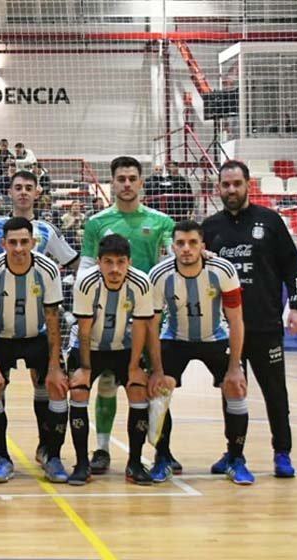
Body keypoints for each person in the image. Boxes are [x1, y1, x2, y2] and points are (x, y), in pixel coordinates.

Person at [202, 160, 297, 478]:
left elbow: (292, 265)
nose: (231, 190)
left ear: (248, 185)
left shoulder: (270, 221)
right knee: (232, 391)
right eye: (226, 185)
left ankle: (282, 452)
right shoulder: (210, 228)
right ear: (218, 188)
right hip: (226, 328)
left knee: (275, 392)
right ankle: (234, 452)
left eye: (237, 184)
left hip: (265, 325)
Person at [79, 156, 175, 476]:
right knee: (107, 383)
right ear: (112, 183)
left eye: (132, 178)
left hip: (149, 316)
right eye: (121, 179)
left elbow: (175, 257)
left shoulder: (161, 222)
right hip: (110, 319)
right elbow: (86, 268)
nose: (127, 184)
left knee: (155, 384)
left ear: (141, 182)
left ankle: (163, 452)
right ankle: (102, 449)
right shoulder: (97, 223)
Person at [148, 220, 252, 484]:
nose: (186, 248)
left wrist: (235, 367)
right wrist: (157, 370)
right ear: (172, 247)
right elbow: (152, 324)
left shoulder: (222, 269)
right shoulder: (159, 275)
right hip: (175, 337)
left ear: (202, 246)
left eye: (193, 243)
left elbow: (236, 320)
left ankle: (235, 457)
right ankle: (163, 457)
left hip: (215, 336)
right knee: (159, 388)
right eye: (180, 243)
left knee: (235, 387)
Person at [60, 234, 156, 485]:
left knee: (138, 390)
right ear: (99, 262)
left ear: (129, 262)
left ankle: (135, 464)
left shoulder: (141, 282)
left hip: (123, 347)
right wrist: (84, 368)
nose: (115, 269)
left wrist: (134, 367)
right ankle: (82, 464)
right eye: (108, 262)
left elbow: (141, 327)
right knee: (78, 391)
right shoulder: (86, 281)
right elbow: (84, 328)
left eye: (121, 262)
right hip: (89, 346)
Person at [0, 217, 63, 483]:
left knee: (57, 388)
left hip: (38, 336)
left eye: (24, 242)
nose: (19, 248)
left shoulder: (48, 269)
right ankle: (1, 456)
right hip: (1, 338)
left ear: (33, 242)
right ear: (3, 243)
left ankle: (51, 453)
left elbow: (53, 319)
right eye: (12, 242)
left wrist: (55, 367)